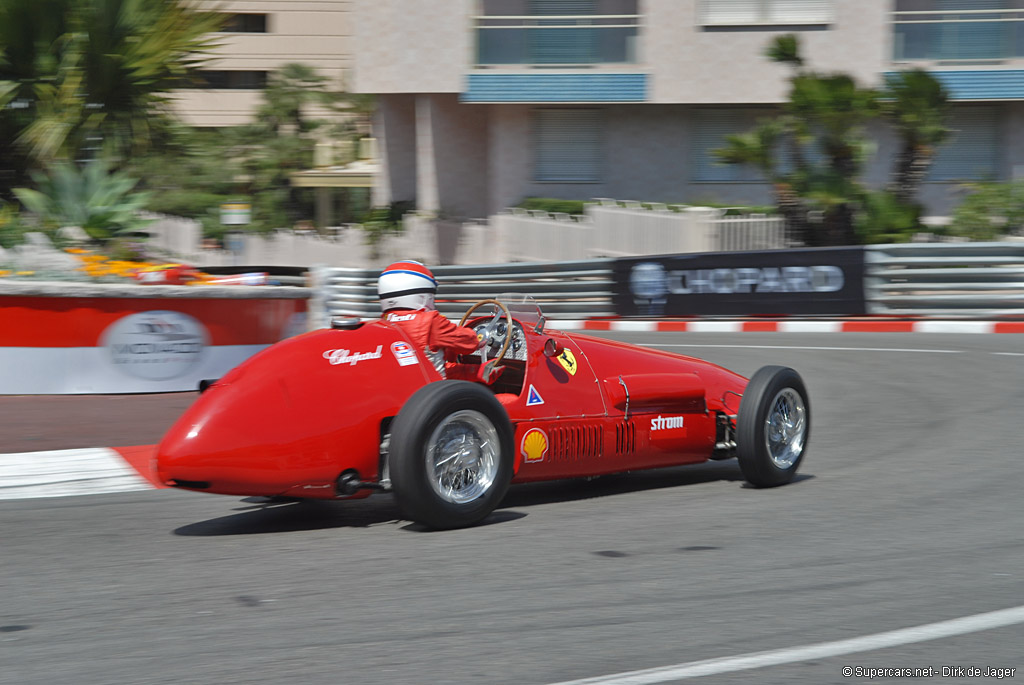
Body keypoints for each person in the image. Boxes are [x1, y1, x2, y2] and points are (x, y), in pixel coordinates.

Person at [378, 260, 483, 378]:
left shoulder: (380, 324)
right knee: (503, 397)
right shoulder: (431, 321)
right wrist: (481, 338)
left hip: (403, 388)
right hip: (434, 390)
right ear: (423, 295)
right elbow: (469, 343)